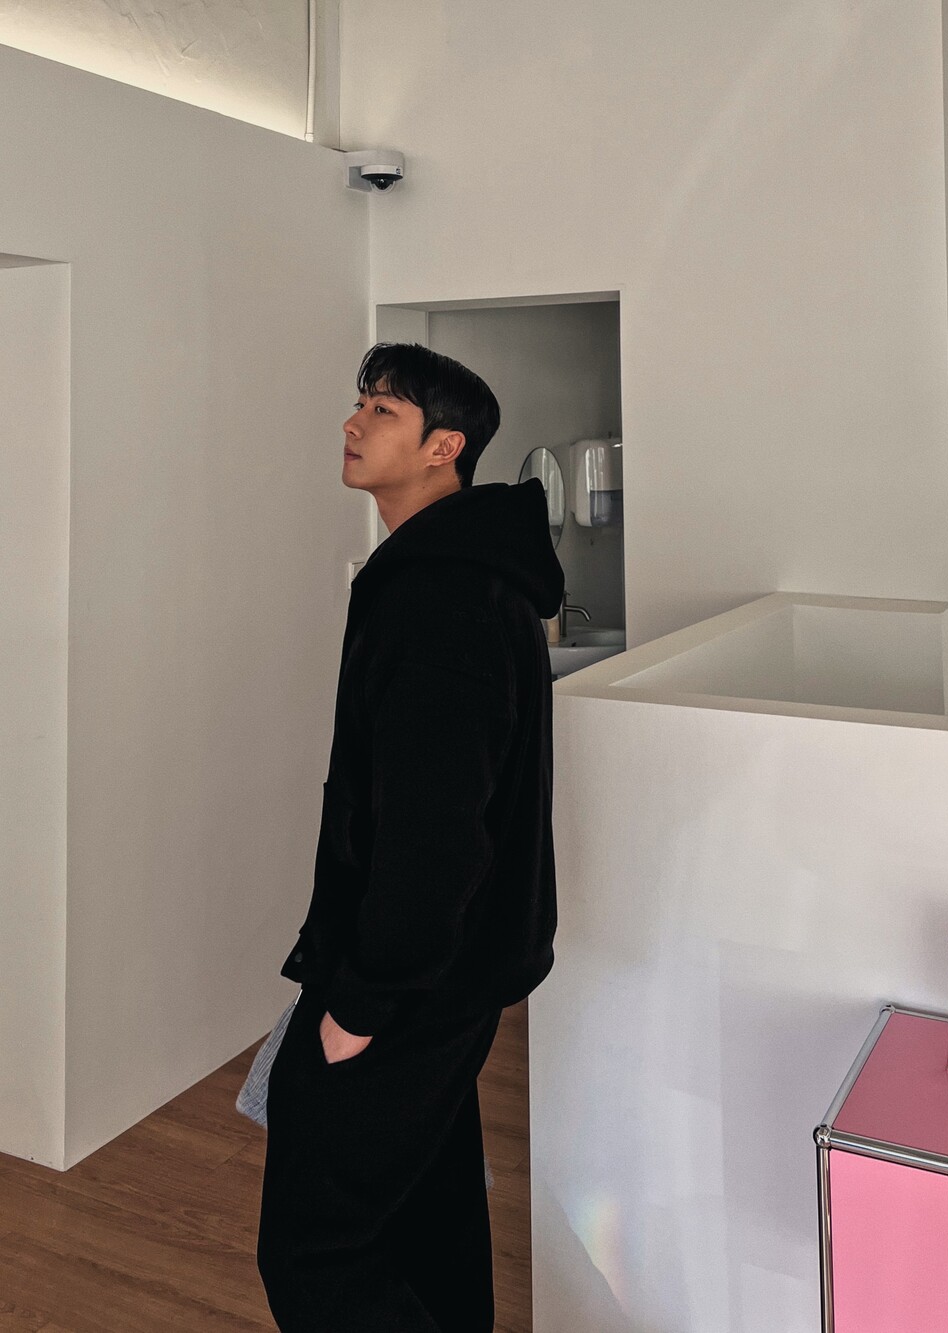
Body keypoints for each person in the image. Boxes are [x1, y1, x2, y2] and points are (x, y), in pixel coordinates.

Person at [256, 341, 565, 1331]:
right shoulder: (458, 573)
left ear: (444, 446)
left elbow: (437, 831)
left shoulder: (441, 593)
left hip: (411, 979)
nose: (353, 423)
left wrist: (364, 1001)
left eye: (382, 409)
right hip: (453, 969)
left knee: (313, 1248)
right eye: (360, 402)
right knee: (428, 1216)